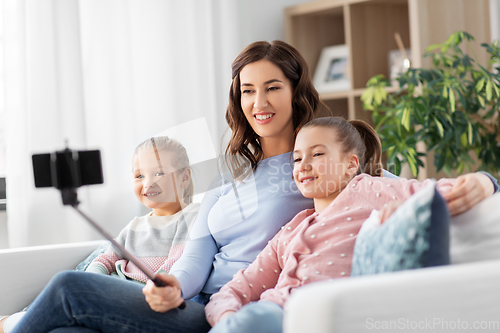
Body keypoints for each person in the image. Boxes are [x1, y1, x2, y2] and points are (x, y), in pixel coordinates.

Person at [7, 41, 496, 333]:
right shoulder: (225, 182)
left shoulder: (322, 170)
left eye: (272, 87)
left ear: (296, 90)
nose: (258, 102)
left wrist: (485, 180)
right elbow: (195, 264)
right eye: (247, 91)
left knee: (69, 287)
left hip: (227, 317)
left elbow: (399, 188)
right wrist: (173, 286)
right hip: (192, 303)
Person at [204, 116, 491, 333]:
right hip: (269, 316)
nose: (303, 165)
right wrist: (227, 316)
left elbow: (434, 190)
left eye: (317, 154)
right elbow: (236, 288)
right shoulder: (291, 229)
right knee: (255, 318)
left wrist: (485, 181)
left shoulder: (366, 191)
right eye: (297, 158)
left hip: (309, 316)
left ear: (351, 164)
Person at [0, 136, 199, 333]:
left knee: (66, 283)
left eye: (159, 173)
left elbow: (175, 265)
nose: (147, 183)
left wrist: (155, 288)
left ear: (184, 177)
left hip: (148, 297)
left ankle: (11, 324)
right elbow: (106, 259)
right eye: (139, 176)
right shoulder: (135, 225)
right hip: (111, 292)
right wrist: (95, 283)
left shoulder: (192, 217)